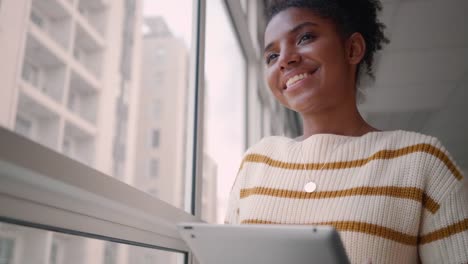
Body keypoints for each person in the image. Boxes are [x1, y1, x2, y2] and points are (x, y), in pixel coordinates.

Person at [224, 0, 468, 263]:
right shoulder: (256, 162)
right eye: (271, 56)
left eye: (305, 37)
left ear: (352, 49)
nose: (284, 59)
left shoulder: (422, 162)